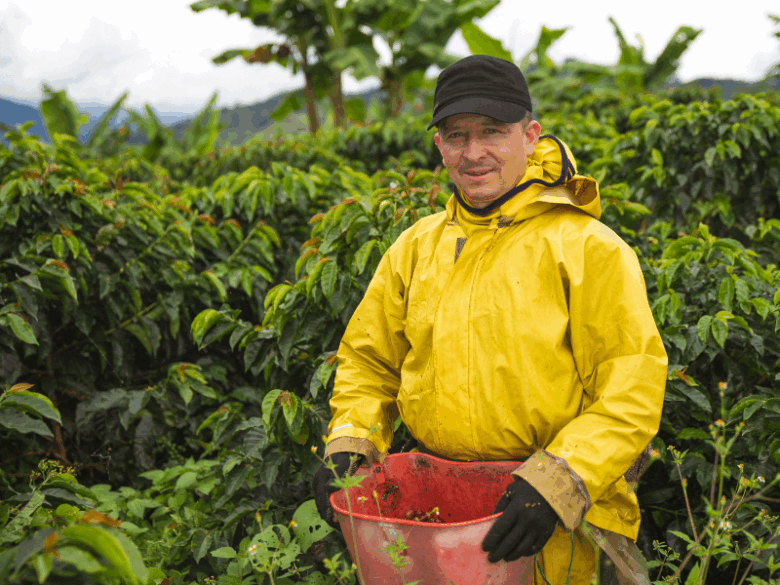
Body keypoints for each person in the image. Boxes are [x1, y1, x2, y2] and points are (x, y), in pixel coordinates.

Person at [313, 54, 667, 585]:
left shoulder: (589, 249)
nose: (473, 152)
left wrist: (555, 482)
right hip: (439, 517)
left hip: (558, 526)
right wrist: (349, 443)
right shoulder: (414, 248)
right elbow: (368, 361)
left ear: (530, 136)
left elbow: (631, 388)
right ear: (438, 147)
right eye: (456, 136)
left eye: (492, 132)